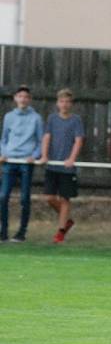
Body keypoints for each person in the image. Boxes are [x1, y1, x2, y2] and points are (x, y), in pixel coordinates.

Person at [38, 88, 85, 244]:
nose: (64, 104)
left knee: (65, 199)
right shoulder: (52, 119)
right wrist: (44, 155)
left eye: (67, 102)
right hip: (52, 165)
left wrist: (71, 158)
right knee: (50, 198)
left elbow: (78, 140)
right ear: (58, 103)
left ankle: (61, 231)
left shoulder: (76, 120)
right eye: (61, 101)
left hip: (67, 168)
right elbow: (46, 137)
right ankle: (66, 221)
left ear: (71, 104)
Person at [0, 85, 43, 243]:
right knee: (3, 197)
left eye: (26, 97)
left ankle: (21, 233)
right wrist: (3, 153)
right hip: (9, 161)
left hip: (26, 162)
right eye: (20, 96)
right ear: (15, 98)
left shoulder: (36, 118)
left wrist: (35, 155)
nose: (23, 99)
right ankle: (3, 232)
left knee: (25, 198)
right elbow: (3, 139)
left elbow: (40, 141)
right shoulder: (9, 117)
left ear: (29, 100)